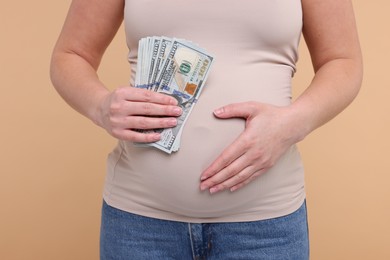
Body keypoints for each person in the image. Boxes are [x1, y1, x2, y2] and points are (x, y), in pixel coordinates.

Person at [50, 0, 362, 259]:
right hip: (140, 224)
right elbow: (71, 55)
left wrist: (293, 123)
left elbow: (343, 60)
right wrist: (101, 106)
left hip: (265, 228)